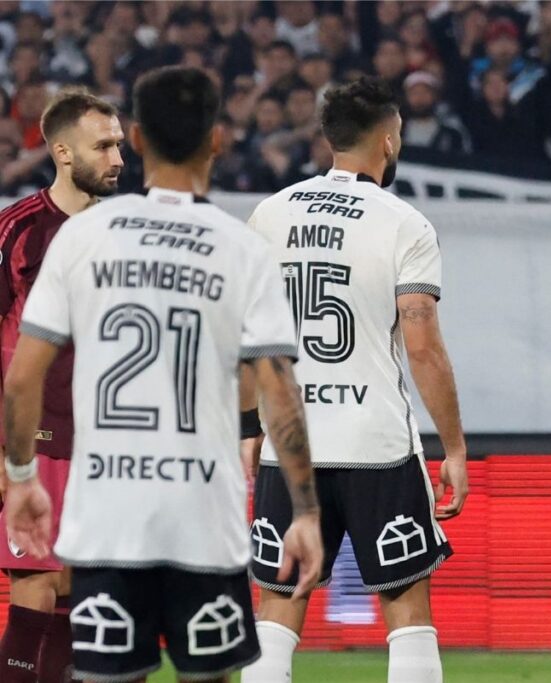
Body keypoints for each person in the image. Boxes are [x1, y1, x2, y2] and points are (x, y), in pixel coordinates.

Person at [1, 66, 324, 683]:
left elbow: (21, 378)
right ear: (219, 140)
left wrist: (19, 475)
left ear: (141, 139)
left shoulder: (84, 239)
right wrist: (304, 512)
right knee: (208, 673)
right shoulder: (242, 247)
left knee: (106, 670)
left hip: (109, 507)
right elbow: (279, 388)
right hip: (202, 506)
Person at [241, 76, 468, 683]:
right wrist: (454, 447)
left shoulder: (269, 213)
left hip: (289, 443)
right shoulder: (403, 223)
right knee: (407, 610)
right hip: (375, 443)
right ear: (390, 140)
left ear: (327, 138)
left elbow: (248, 337)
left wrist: (246, 429)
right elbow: (423, 348)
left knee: (279, 607)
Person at [0, 89, 123, 683]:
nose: (118, 157)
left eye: (120, 144)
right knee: (37, 587)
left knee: (82, 597)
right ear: (63, 152)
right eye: (104, 145)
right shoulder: (18, 231)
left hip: (108, 445)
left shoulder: (129, 234)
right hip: (40, 438)